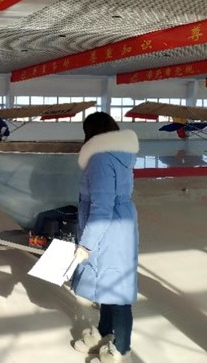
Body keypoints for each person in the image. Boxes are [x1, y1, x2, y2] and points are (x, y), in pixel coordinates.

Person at [71, 112, 139, 363]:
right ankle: (104, 332)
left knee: (117, 290)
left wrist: (86, 244)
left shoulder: (100, 159)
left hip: (108, 229)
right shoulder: (120, 155)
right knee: (109, 284)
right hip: (120, 225)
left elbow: (102, 207)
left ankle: (121, 349)